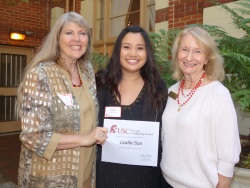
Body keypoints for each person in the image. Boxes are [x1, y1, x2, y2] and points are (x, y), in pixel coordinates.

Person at [17, 12, 107, 188]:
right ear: (57, 38)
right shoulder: (41, 74)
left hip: (87, 172)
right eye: (69, 33)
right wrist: (85, 139)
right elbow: (32, 136)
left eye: (82, 33)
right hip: (52, 177)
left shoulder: (87, 70)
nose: (77, 39)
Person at [160, 26, 241, 188]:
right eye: (184, 49)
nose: (189, 57)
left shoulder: (217, 94)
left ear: (207, 58)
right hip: (165, 181)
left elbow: (227, 159)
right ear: (177, 55)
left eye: (198, 51)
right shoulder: (171, 91)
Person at [95, 25, 168, 188]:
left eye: (140, 48)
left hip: (145, 180)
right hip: (105, 177)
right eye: (126, 47)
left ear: (147, 53)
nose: (133, 54)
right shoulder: (101, 84)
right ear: (118, 51)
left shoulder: (158, 89)